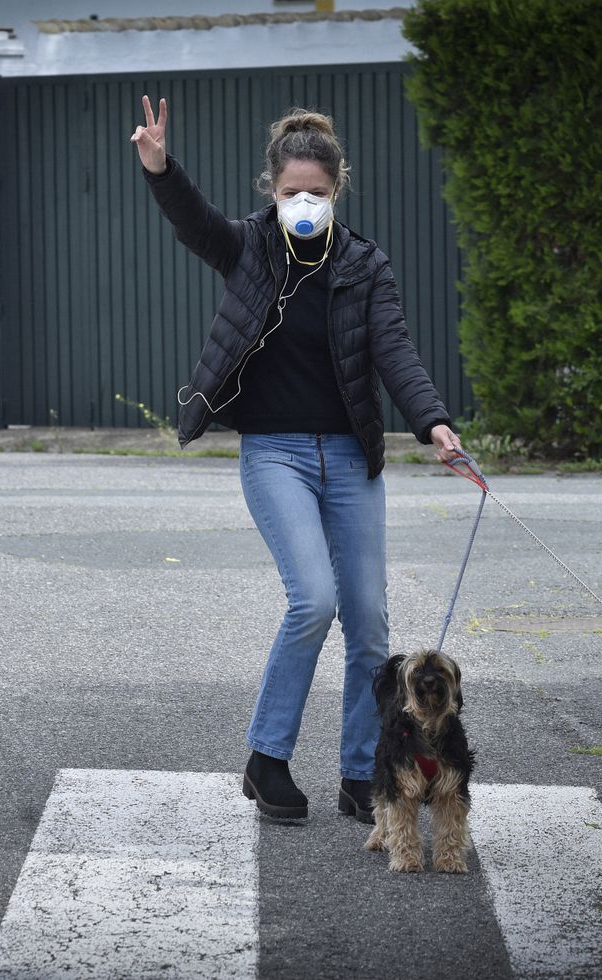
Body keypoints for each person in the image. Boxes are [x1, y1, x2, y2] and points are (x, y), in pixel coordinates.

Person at [131, 95, 464, 822]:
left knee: (370, 620)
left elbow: (396, 354)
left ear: (336, 190)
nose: (303, 203)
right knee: (313, 599)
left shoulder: (365, 265)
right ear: (272, 192)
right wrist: (160, 169)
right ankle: (267, 758)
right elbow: (196, 223)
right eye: (291, 194)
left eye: (316, 192)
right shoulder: (249, 248)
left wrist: (433, 423)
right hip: (275, 453)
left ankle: (359, 772)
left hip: (350, 458)